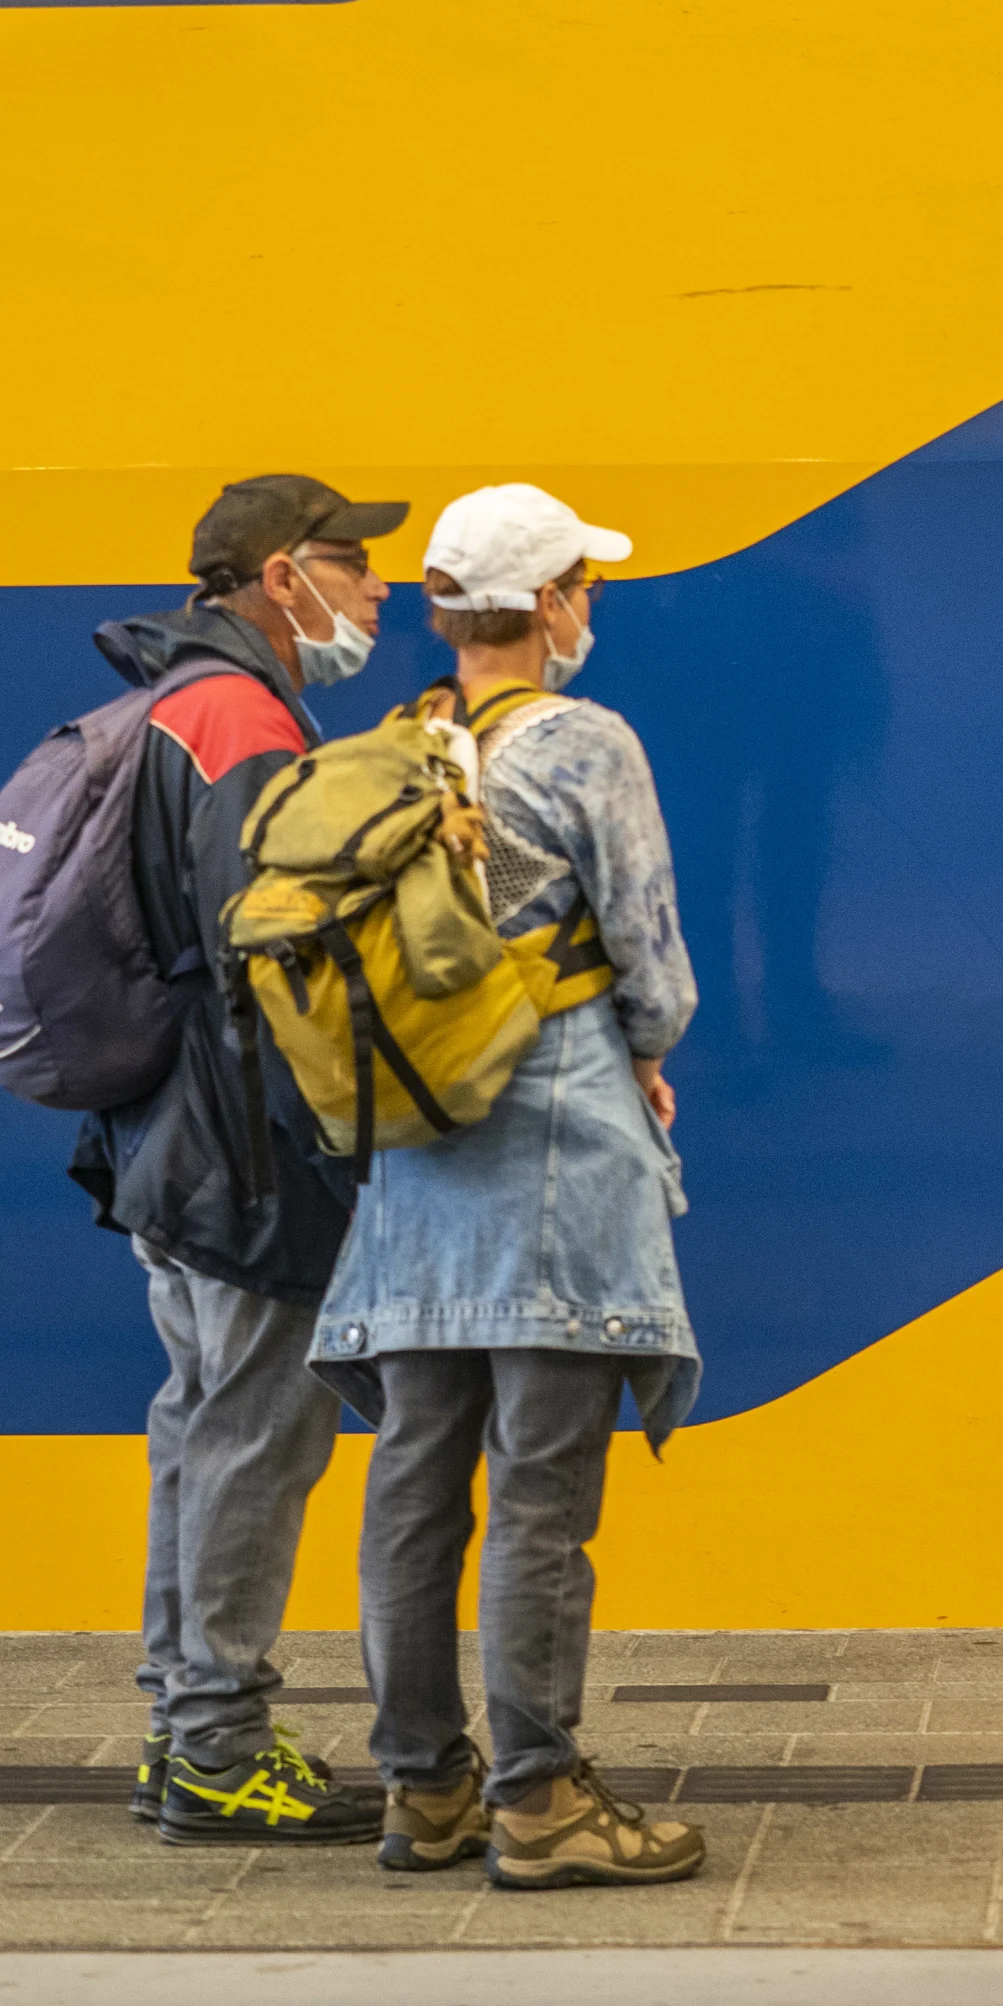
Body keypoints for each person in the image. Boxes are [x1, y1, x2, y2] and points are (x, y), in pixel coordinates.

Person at [314, 482, 711, 1891]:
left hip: (415, 1166)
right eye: (581, 589)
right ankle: (542, 1797)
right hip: (549, 1144)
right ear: (546, 608)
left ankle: (424, 1789)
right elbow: (650, 958)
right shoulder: (584, 745)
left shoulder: (397, 743)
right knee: (542, 1488)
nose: (587, 611)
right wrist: (649, 1051)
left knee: (417, 1482)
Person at [74, 473, 400, 1848]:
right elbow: (269, 953)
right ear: (283, 576)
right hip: (241, 1144)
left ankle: (180, 1724)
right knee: (259, 1433)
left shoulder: (174, 699)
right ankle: (216, 1741)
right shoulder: (238, 721)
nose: (376, 590)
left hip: (164, 1130)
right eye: (354, 563)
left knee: (200, 1423)